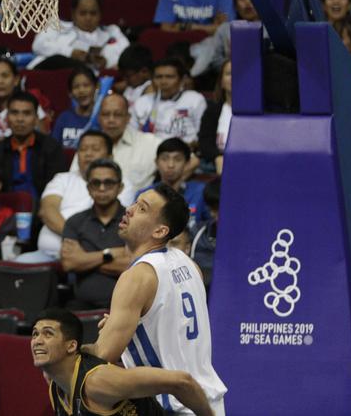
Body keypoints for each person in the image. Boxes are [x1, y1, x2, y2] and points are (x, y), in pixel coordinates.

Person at [93, 184, 227, 414]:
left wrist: (74, 351)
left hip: (173, 407)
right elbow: (170, 336)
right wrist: (128, 332)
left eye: (142, 208)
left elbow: (102, 358)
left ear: (160, 231)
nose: (130, 210)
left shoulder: (137, 277)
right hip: (209, 403)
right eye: (135, 202)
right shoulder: (188, 263)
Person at [34, 308, 214, 416]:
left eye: (48, 333)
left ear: (71, 346)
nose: (37, 340)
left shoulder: (99, 381)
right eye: (35, 334)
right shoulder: (54, 381)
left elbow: (182, 382)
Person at [20, 130, 113, 264]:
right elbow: (47, 211)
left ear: (109, 156)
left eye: (95, 149)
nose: (88, 153)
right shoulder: (62, 178)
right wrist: (76, 236)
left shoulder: (121, 185)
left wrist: (85, 245)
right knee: (5, 271)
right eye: (83, 149)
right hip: (45, 255)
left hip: (90, 258)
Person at [58, 159, 131, 310]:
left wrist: (84, 259)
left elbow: (132, 265)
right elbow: (69, 263)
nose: (102, 188)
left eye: (109, 183)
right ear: (88, 188)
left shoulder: (133, 220)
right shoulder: (75, 222)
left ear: (120, 187)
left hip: (126, 305)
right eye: (95, 183)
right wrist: (108, 254)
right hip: (81, 305)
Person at [0, 91, 69, 200]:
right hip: (4, 211)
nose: (20, 119)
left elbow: (59, 186)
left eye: (26, 113)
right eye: (14, 113)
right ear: (7, 118)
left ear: (36, 118)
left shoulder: (52, 148)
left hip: (42, 209)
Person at [32, 0, 130, 72]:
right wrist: (71, 52)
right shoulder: (57, 26)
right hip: (55, 72)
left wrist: (107, 61)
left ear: (100, 14)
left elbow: (127, 54)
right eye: (83, 13)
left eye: (93, 13)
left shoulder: (112, 31)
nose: (88, 18)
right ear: (73, 14)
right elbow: (38, 45)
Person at [130, 58, 208, 147]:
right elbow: (131, 135)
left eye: (169, 77)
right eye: (158, 77)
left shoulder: (195, 100)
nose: (163, 82)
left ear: (182, 80)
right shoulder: (142, 102)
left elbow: (202, 135)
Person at [136, 139, 209, 233]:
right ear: (156, 162)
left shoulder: (200, 192)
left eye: (178, 159)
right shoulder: (144, 195)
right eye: (165, 159)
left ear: (187, 163)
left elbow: (210, 227)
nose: (170, 165)